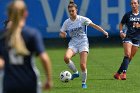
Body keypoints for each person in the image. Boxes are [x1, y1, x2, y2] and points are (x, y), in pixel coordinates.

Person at [0, 1, 53, 93]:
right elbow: (44, 58)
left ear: (8, 14)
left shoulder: (2, 36)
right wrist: (49, 80)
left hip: (9, 83)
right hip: (30, 82)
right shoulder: (32, 34)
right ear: (26, 13)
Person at [59, 0, 109, 88]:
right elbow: (61, 33)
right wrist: (63, 35)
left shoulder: (82, 19)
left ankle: (83, 83)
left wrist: (104, 32)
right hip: (73, 43)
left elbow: (94, 25)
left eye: (73, 11)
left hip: (83, 42)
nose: (71, 12)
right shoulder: (67, 22)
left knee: (82, 64)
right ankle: (75, 73)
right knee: (66, 58)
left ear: (76, 10)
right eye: (69, 11)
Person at [114, 0, 140, 80]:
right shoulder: (127, 14)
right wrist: (121, 32)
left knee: (130, 58)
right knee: (127, 55)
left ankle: (118, 73)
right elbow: (121, 24)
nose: (133, 5)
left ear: (138, 4)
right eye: (131, 3)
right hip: (128, 37)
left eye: (135, 3)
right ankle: (124, 74)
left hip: (137, 39)